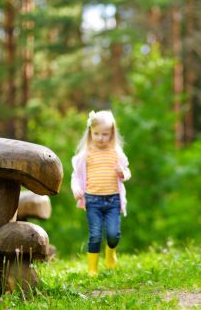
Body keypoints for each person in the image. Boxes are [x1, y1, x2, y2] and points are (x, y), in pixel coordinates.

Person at [71, 110, 131, 276]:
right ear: (90, 133)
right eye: (96, 134)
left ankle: (110, 254)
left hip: (113, 200)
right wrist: (76, 188)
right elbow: (75, 176)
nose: (100, 138)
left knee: (113, 235)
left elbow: (127, 173)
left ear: (112, 134)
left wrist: (122, 173)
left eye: (105, 134)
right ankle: (92, 269)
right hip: (93, 200)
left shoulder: (116, 154)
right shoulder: (86, 155)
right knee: (95, 235)